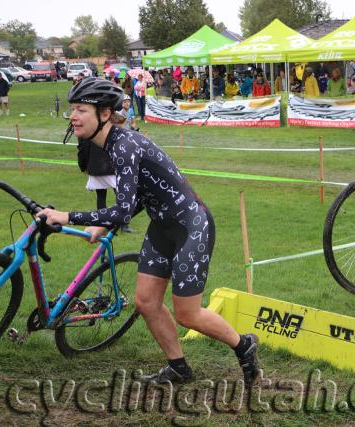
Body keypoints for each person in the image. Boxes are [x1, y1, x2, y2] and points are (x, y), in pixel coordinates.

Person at [42, 77, 261, 385]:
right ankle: (178, 367)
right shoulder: (113, 144)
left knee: (188, 314)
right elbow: (134, 202)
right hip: (162, 226)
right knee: (146, 302)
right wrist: (105, 223)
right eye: (72, 110)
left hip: (190, 226)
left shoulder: (124, 146)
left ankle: (244, 344)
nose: (73, 117)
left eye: (81, 110)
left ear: (104, 113)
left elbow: (121, 209)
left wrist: (66, 216)